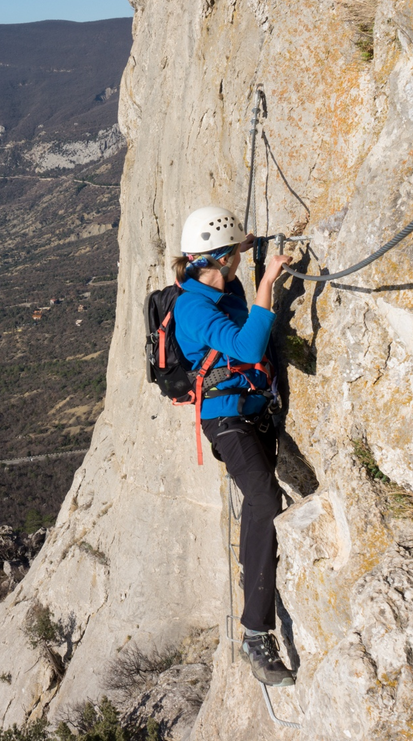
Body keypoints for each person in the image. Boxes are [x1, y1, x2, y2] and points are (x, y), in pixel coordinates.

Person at [172, 206, 294, 687]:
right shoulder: (192, 307)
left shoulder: (222, 283)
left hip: (252, 411)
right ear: (220, 260)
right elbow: (244, 349)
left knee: (258, 502)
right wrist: (267, 284)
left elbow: (228, 262)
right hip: (224, 420)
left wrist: (246, 248)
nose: (241, 265)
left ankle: (255, 585)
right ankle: (255, 634)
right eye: (235, 256)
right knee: (265, 498)